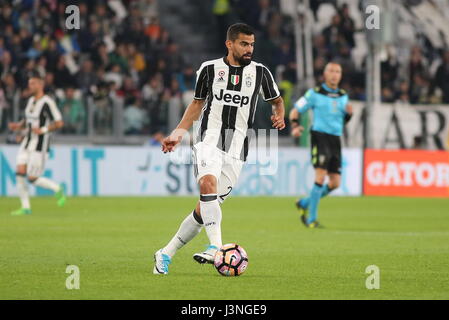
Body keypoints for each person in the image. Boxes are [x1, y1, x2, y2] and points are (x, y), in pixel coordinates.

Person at [153, 23, 285, 274]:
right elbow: (197, 104)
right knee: (207, 184)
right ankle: (216, 248)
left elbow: (277, 101)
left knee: (204, 210)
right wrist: (178, 134)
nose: (249, 49)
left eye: (252, 44)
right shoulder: (209, 69)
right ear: (230, 44)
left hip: (237, 148)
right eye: (244, 44)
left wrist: (280, 115)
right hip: (209, 139)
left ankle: (164, 253)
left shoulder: (261, 72)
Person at [289, 62, 352, 228]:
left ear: (341, 75)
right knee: (320, 176)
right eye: (331, 71)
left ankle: (304, 203)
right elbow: (295, 110)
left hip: (336, 139)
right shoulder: (314, 94)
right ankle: (312, 219)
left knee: (335, 183)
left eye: (338, 71)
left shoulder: (343, 96)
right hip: (320, 137)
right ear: (325, 74)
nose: (334, 74)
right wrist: (295, 126)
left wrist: (349, 115)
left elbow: (343, 120)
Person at [7, 73, 66, 216]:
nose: (30, 86)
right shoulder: (31, 100)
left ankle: (57, 188)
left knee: (32, 178)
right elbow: (27, 121)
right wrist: (18, 127)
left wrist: (43, 129)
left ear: (41, 84)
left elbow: (59, 123)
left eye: (33, 83)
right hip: (26, 142)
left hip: (40, 145)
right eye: (29, 83)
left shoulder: (47, 102)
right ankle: (26, 207)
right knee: (20, 173)